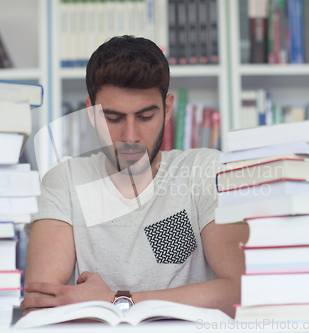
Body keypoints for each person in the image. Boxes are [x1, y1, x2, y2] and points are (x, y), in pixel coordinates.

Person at [20, 35, 247, 318]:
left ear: (167, 109)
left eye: (145, 117)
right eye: (113, 118)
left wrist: (117, 300)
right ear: (91, 112)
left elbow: (241, 291)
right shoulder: (64, 180)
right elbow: (40, 302)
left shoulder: (204, 170)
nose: (130, 137)